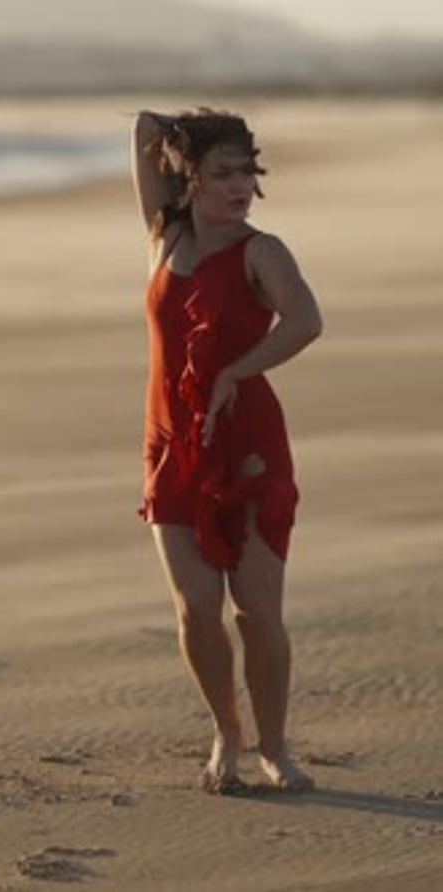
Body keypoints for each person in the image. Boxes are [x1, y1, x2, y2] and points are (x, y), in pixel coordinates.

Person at [131, 107, 322, 794]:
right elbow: (145, 127)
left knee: (256, 607)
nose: (241, 185)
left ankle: (274, 746)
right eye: (224, 173)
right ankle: (226, 733)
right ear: (191, 179)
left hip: (247, 444)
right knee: (196, 606)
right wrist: (182, 136)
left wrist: (237, 371)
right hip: (170, 441)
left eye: (249, 171)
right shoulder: (165, 235)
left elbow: (306, 321)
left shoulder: (262, 251)